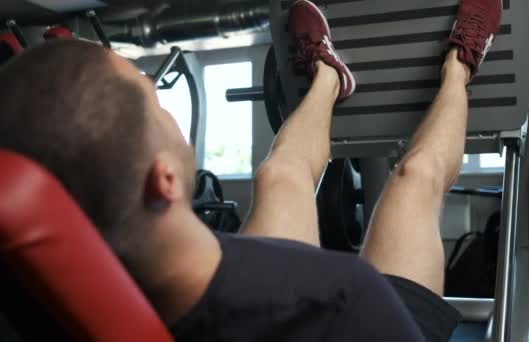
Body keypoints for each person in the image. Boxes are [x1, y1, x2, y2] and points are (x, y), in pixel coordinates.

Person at [0, 0, 502, 340]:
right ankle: (459, 67)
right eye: (152, 99)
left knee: (279, 174)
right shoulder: (343, 298)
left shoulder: (43, 304)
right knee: (416, 177)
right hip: (371, 327)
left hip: (233, 301)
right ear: (165, 181)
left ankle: (329, 77)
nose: (160, 101)